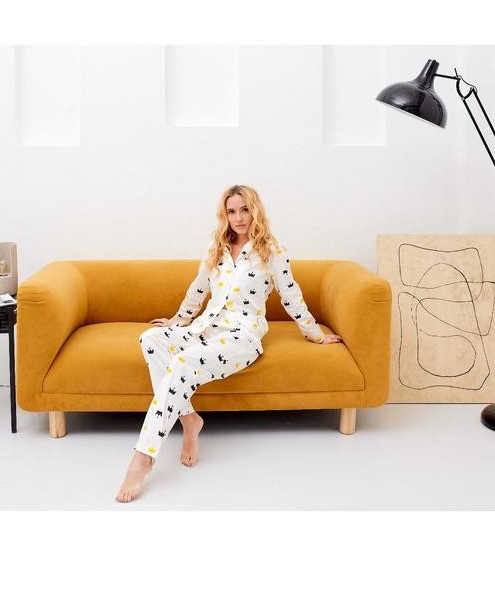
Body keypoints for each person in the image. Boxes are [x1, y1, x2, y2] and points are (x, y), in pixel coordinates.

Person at [116, 184, 343, 502]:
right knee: (151, 340)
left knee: (183, 363)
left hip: (242, 336)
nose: (239, 218)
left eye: (244, 210)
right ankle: (189, 419)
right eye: (232, 211)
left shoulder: (271, 251)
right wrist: (178, 320)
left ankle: (144, 457)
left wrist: (315, 333)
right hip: (205, 328)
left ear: (255, 211)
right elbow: (198, 289)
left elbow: (291, 295)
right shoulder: (217, 249)